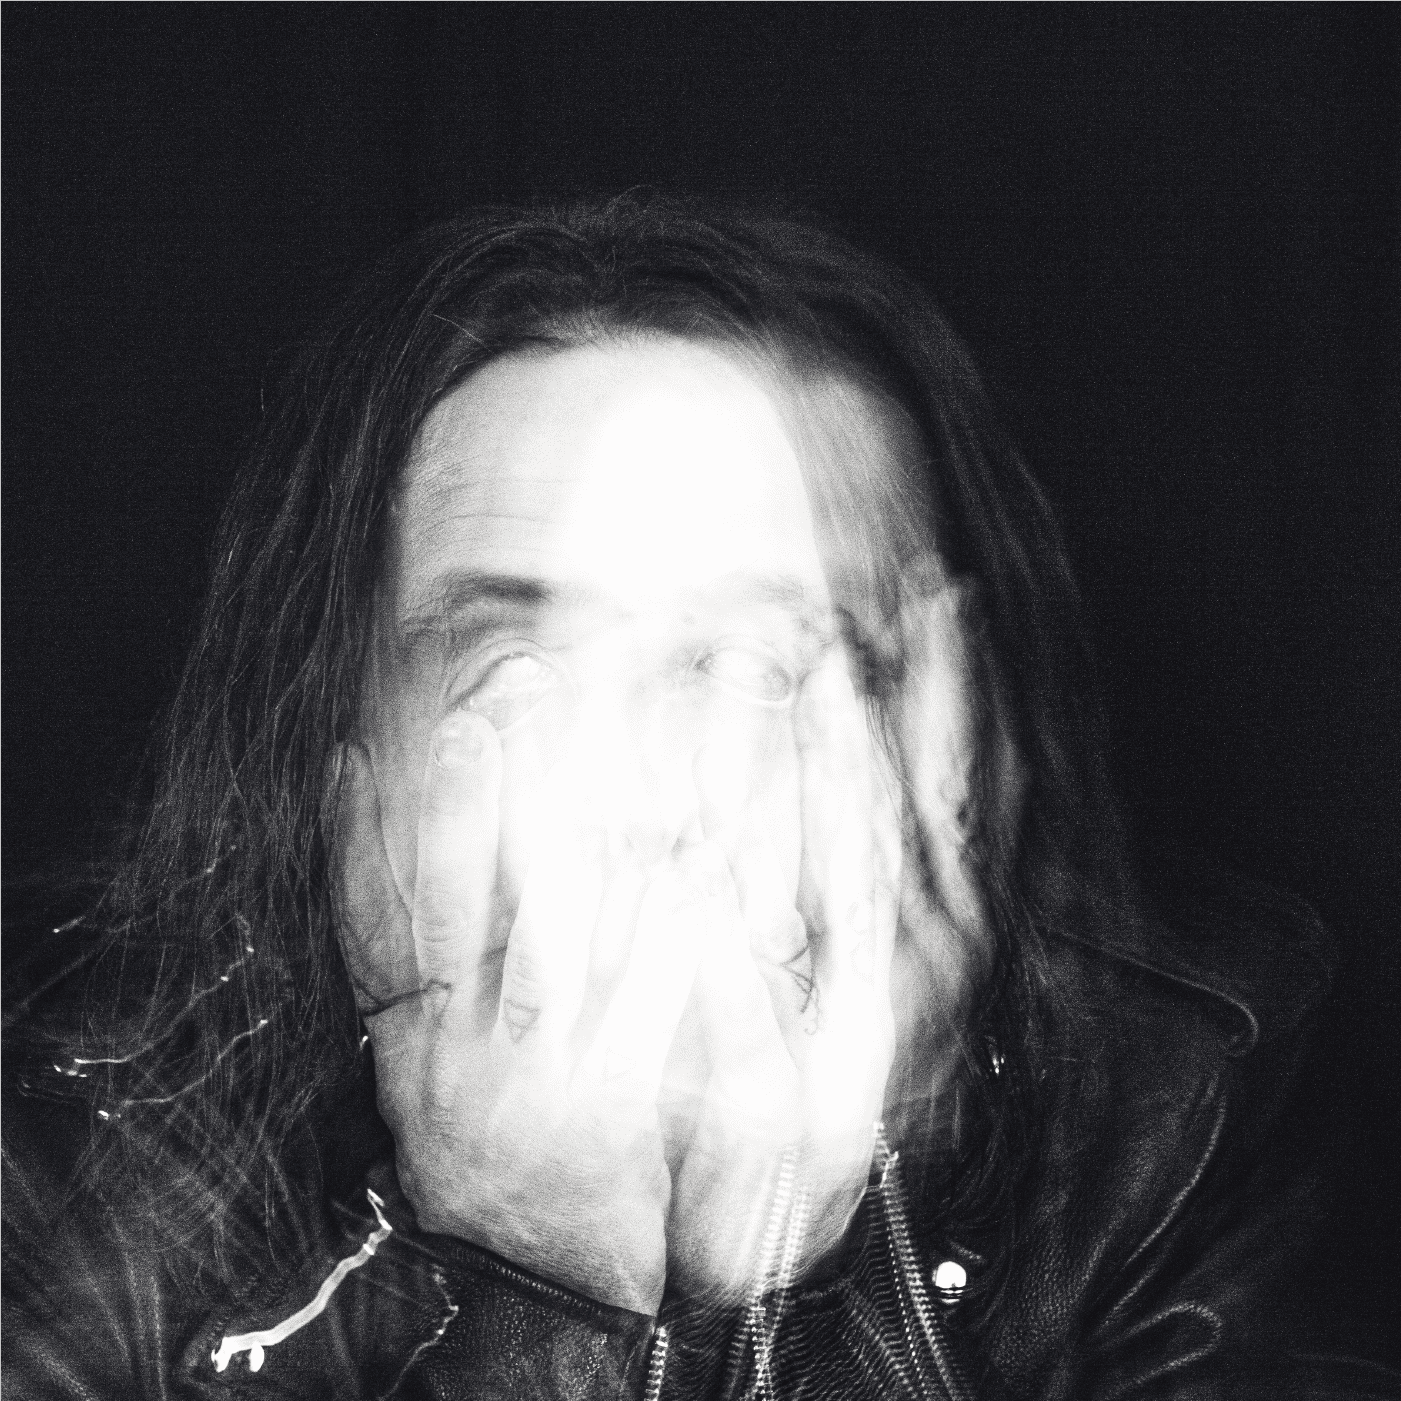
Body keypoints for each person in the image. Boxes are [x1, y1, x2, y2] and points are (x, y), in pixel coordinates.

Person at [0, 195, 1366, 1399]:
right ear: (344, 771)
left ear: (940, 750)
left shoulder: (1197, 1121)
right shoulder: (61, 1163)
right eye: (519, 673)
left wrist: (787, 1295)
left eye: (758, 668)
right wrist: (547, 1298)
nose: (643, 791)